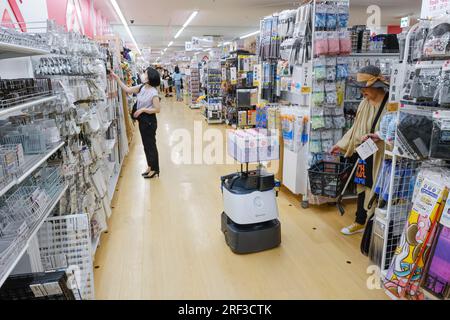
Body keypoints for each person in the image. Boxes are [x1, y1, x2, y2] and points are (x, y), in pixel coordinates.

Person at [330, 65, 390, 235]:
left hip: (380, 154)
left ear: (376, 86)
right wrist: (340, 144)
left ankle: (373, 225)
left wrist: (378, 135)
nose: (363, 91)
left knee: (376, 187)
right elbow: (355, 128)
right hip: (365, 151)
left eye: (365, 87)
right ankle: (359, 221)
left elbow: (393, 131)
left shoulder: (390, 104)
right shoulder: (365, 103)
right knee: (362, 185)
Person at [111, 67, 161, 179]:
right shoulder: (142, 87)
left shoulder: (153, 92)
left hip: (149, 122)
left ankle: (155, 169)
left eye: (145, 73)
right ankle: (150, 166)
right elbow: (127, 90)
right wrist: (117, 78)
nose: (143, 75)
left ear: (149, 77)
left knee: (150, 145)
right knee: (146, 145)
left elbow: (157, 109)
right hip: (142, 121)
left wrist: (143, 109)